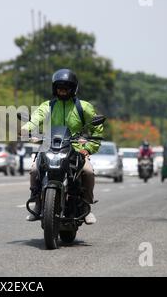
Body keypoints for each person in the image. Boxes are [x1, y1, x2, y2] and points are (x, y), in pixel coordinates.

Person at [21, 69, 103, 224]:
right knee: (33, 170)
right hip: (49, 147)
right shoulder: (48, 106)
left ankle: (86, 208)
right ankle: (38, 204)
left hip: (76, 149)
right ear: (54, 88)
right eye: (59, 87)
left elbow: (96, 128)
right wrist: (26, 129)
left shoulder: (83, 107)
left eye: (66, 88)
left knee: (88, 172)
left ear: (73, 89)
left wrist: (89, 148)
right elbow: (35, 119)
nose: (62, 91)